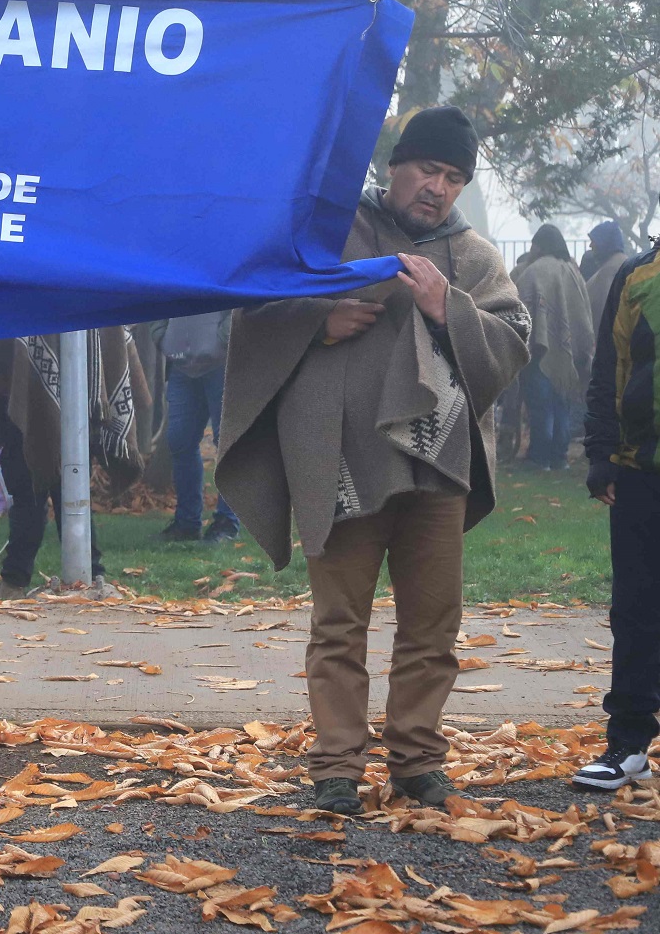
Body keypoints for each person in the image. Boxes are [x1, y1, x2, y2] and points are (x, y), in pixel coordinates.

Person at [218, 106, 530, 815]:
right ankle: (336, 770)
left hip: (438, 468)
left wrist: (449, 308)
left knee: (432, 626)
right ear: (395, 166)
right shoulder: (331, 233)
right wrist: (316, 322)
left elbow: (515, 337)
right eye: (427, 169)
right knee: (339, 624)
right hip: (342, 465)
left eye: (454, 177)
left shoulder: (474, 255)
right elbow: (255, 309)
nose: (438, 188)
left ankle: (418, 764)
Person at [574, 240, 660, 788]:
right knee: (635, 608)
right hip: (640, 469)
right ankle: (628, 743)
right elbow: (607, 368)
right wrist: (601, 454)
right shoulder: (636, 275)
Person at [0, 337, 106, 598]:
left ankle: (15, 582)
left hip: (33, 401)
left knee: (39, 492)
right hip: (56, 399)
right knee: (63, 491)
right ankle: (91, 576)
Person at [152, 311, 241, 543]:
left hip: (224, 363)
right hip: (181, 367)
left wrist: (223, 338)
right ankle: (186, 524)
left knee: (227, 443)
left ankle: (226, 523)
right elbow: (162, 297)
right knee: (179, 441)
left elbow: (241, 299)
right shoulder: (170, 271)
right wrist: (162, 336)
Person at [517, 224, 595, 471]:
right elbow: (583, 316)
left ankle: (539, 458)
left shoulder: (534, 271)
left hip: (538, 350)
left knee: (540, 407)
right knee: (562, 404)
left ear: (538, 245)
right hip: (566, 353)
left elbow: (519, 311)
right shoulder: (573, 271)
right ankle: (559, 458)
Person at [584, 221, 629, 333]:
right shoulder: (623, 263)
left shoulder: (610, 271)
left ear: (603, 243)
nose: (590, 245)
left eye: (593, 241)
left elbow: (603, 314)